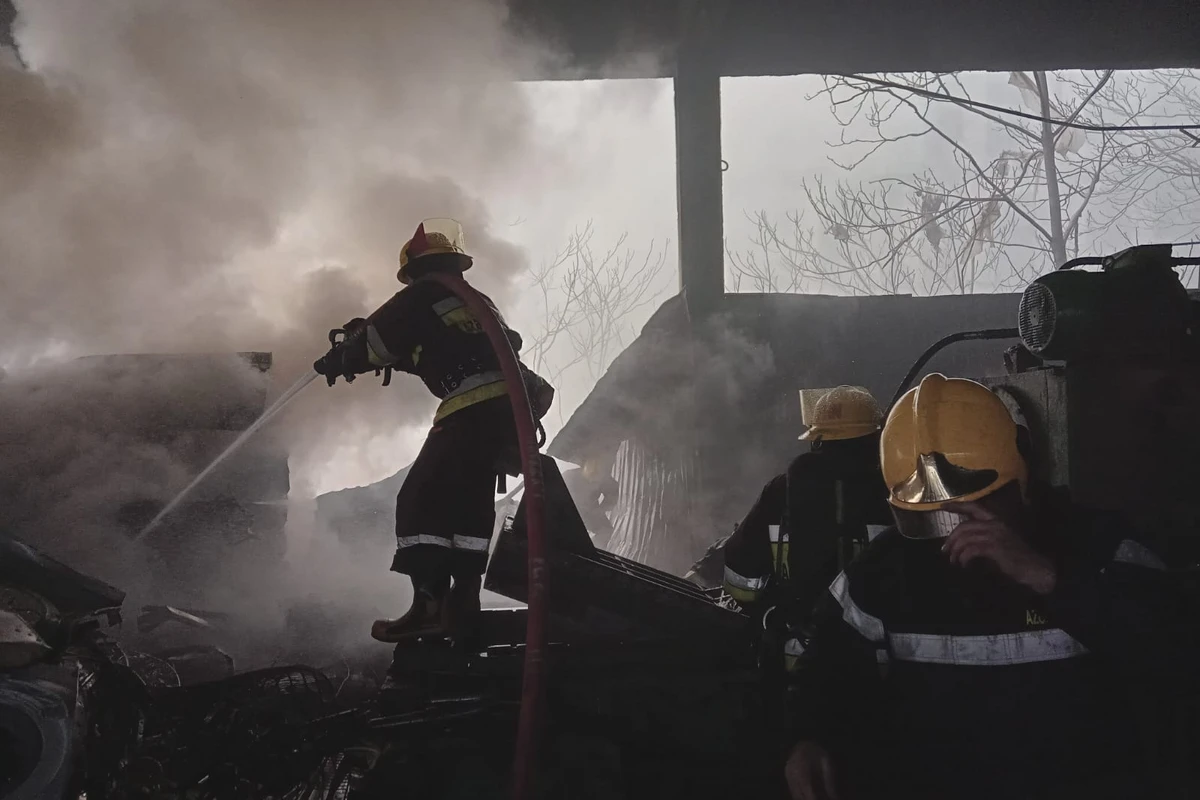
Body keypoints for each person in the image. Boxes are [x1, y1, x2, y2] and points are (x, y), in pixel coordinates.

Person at [784, 373, 1195, 800]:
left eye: (976, 508)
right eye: (927, 517)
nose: (952, 531)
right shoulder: (886, 572)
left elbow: (1176, 651)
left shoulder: (1100, 547)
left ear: (1022, 476)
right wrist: (806, 737)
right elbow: (826, 669)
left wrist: (1049, 578)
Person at [314, 218, 553, 643]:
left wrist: (341, 359)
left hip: (471, 410)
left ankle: (427, 605)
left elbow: (378, 343)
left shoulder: (419, 296)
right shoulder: (473, 301)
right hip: (506, 414)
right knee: (465, 507)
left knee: (420, 499)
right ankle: (461, 607)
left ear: (413, 270)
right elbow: (432, 351)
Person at [721, 385, 891, 671]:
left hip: (795, 665)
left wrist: (769, 614)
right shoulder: (898, 494)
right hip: (876, 670)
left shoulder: (781, 492)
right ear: (877, 438)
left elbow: (740, 576)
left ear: (818, 439)